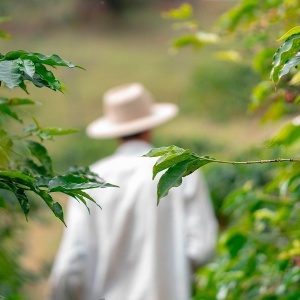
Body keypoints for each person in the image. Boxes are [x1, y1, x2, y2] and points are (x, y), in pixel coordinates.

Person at [48, 82, 218, 300]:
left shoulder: (89, 181)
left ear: (114, 131)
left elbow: (69, 268)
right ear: (150, 125)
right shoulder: (179, 172)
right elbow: (202, 249)